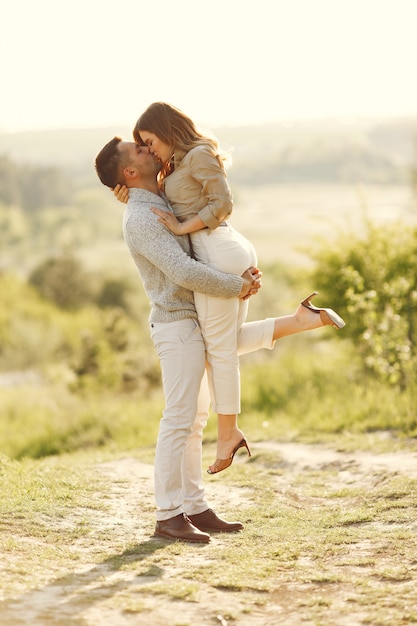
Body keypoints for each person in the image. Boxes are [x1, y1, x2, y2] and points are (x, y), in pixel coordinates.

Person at [95, 136, 345, 543]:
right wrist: (236, 286)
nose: (149, 150)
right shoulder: (141, 217)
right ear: (129, 172)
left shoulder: (154, 200)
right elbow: (182, 270)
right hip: (176, 325)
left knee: (193, 422)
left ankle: (194, 507)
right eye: (140, 151)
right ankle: (167, 516)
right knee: (178, 420)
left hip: (192, 319)